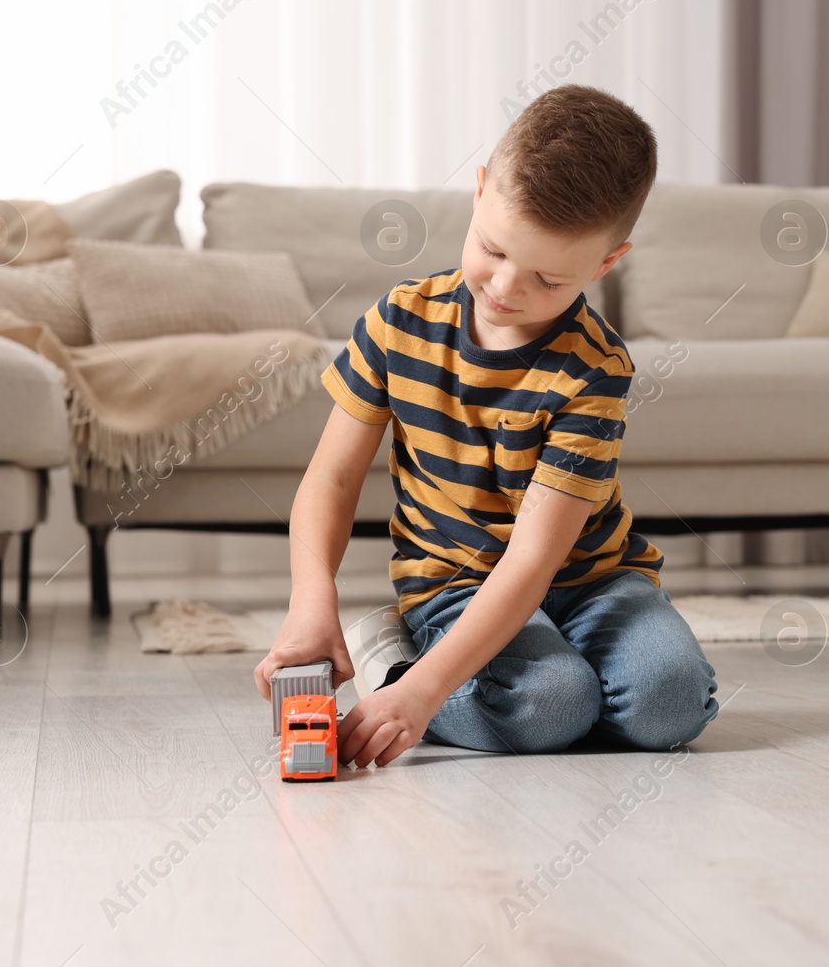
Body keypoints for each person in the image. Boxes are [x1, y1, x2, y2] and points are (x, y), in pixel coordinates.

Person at [254, 84, 719, 770]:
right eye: (492, 248)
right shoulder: (399, 322)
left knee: (673, 705)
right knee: (549, 706)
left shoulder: (594, 370)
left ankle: (452, 677)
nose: (505, 287)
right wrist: (310, 599)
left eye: (548, 278)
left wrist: (427, 694)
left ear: (606, 263)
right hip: (456, 579)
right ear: (478, 194)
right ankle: (403, 659)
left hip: (592, 578)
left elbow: (534, 560)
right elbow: (332, 475)